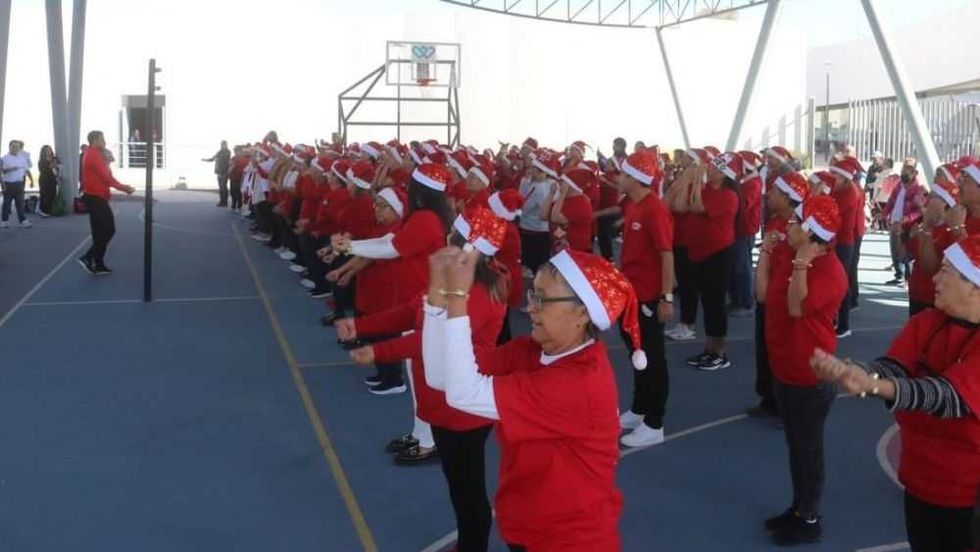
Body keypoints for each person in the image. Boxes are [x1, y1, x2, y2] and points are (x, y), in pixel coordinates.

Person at [423, 248, 639, 550]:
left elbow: (463, 392)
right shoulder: (530, 350)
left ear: (582, 314)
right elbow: (441, 378)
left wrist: (458, 297)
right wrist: (436, 296)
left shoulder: (579, 382)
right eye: (532, 295)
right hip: (527, 524)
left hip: (569, 540)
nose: (530, 308)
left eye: (542, 299)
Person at [811, 233, 980, 552]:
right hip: (919, 479)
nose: (934, 278)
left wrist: (874, 384)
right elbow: (894, 367)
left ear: (974, 285)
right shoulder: (926, 322)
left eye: (945, 271)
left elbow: (945, 396)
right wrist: (859, 371)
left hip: (967, 495)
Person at [757, 194, 848, 545]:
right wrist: (766, 254)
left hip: (809, 375)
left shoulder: (829, 271)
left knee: (807, 449)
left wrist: (800, 266)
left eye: (796, 222)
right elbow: (763, 295)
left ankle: (809, 518)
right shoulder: (789, 253)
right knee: (796, 446)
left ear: (811, 233)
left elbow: (797, 308)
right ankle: (798, 509)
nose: (788, 225)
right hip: (785, 367)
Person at [615, 149, 675, 448]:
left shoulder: (655, 210)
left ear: (635, 178)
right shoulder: (633, 205)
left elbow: (666, 255)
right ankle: (640, 409)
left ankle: (654, 422)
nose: (619, 177)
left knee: (652, 358)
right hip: (630, 294)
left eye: (623, 173)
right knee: (636, 354)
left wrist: (666, 297)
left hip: (649, 297)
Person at [748, 170, 811, 418]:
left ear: (787, 197)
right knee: (764, 347)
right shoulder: (774, 222)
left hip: (787, 301)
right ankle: (769, 398)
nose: (768, 195)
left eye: (774, 191)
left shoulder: (804, 228)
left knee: (787, 353)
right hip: (769, 297)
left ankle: (787, 405)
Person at [684, 152, 740, 370]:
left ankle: (720, 353)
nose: (710, 169)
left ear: (724, 174)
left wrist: (697, 181)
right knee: (708, 304)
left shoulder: (728, 195)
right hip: (702, 252)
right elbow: (686, 203)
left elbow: (697, 207)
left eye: (716, 168)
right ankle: (709, 349)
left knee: (716, 304)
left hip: (718, 253)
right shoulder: (707, 190)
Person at [78, 130, 135, 274]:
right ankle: (89, 257)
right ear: (95, 140)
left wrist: (107, 162)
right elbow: (106, 178)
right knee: (108, 229)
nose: (104, 141)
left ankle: (97, 262)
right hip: (95, 198)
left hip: (97, 197)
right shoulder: (93, 155)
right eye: (102, 139)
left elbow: (107, 176)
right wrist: (124, 188)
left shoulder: (94, 154)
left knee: (101, 232)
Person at [828, 155, 862, 337]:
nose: (831, 177)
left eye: (834, 174)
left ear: (843, 177)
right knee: (836, 282)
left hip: (843, 242)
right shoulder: (840, 190)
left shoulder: (849, 193)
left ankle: (844, 324)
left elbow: (831, 212)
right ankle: (836, 319)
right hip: (837, 241)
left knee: (842, 283)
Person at [883, 159, 927, 287]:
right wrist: (885, 214)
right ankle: (899, 274)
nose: (903, 174)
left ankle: (908, 278)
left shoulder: (918, 190)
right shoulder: (898, 186)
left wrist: (906, 219)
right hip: (895, 222)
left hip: (907, 226)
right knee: (894, 249)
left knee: (906, 252)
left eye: (907, 172)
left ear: (914, 174)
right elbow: (891, 201)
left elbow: (919, 212)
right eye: (903, 170)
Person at [1, 140, 33, 228]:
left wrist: (31, 180)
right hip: (8, 184)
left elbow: (26, 170)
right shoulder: (4, 158)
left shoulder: (22, 158)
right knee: (7, 203)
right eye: (13, 146)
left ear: (19, 148)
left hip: (19, 183)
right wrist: (10, 169)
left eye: (17, 147)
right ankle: (4, 221)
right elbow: (1, 171)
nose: (15, 148)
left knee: (20, 203)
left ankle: (23, 221)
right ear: (9, 147)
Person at [202, 140, 231, 207]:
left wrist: (218, 159)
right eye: (222, 145)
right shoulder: (219, 152)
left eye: (224, 144)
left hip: (224, 172)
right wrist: (206, 160)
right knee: (221, 187)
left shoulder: (228, 152)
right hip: (219, 171)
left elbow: (225, 161)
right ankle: (221, 201)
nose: (223, 146)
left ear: (226, 145)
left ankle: (225, 202)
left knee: (223, 187)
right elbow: (213, 158)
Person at [37, 145, 60, 217]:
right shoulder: (42, 161)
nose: (48, 151)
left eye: (49, 150)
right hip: (44, 179)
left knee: (53, 194)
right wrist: (53, 162)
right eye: (46, 150)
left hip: (52, 179)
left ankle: (49, 210)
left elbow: (56, 169)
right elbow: (46, 168)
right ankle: (43, 210)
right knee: (45, 194)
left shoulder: (54, 159)